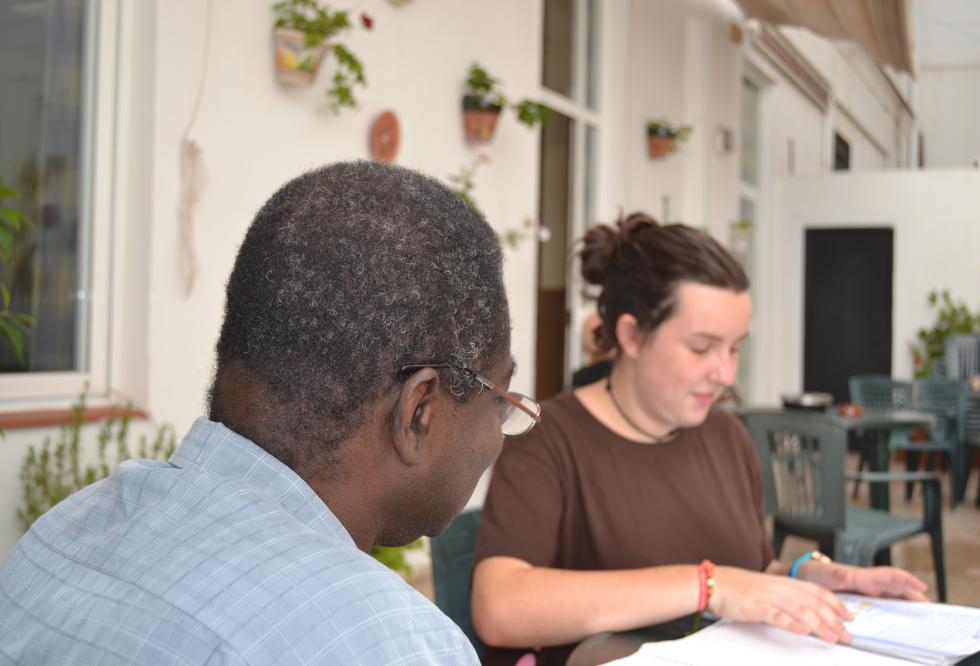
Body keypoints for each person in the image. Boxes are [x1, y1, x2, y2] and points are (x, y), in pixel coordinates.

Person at [0, 161, 540, 665]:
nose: (498, 439)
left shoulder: (65, 533)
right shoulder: (384, 641)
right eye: (499, 401)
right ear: (419, 410)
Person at [471, 212, 927, 666]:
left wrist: (809, 577)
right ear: (631, 335)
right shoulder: (549, 439)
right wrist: (707, 585)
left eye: (734, 347)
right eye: (702, 348)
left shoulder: (727, 434)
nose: (726, 373)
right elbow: (500, 607)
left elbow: (747, 572)